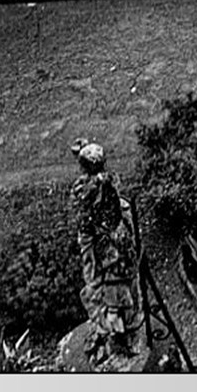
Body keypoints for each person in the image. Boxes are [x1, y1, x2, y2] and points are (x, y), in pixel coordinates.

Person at [69, 141, 151, 371]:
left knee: (106, 292)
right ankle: (125, 332)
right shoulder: (111, 181)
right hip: (119, 242)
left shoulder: (84, 188)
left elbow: (84, 218)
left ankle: (119, 343)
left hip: (105, 248)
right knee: (122, 290)